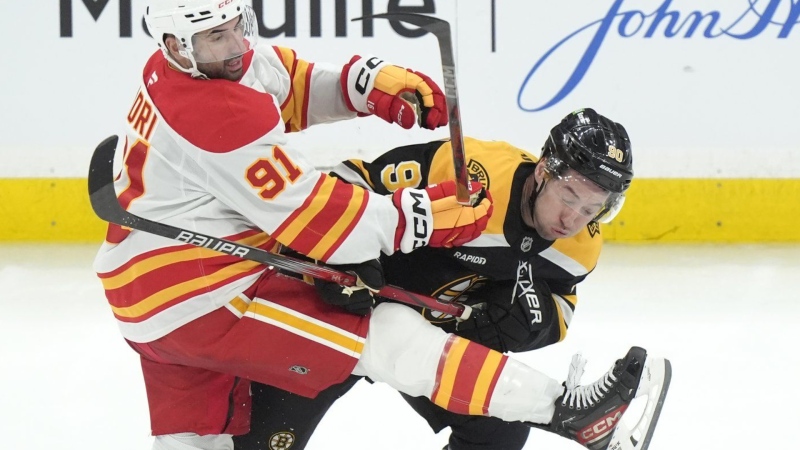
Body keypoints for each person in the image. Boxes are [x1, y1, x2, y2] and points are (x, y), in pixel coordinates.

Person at [93, 0, 669, 448]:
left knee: (193, 440)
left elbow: (283, 82)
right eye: (217, 35)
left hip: (150, 283)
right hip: (201, 292)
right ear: (175, 43)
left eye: (238, 24)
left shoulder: (203, 65)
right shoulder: (214, 113)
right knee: (383, 335)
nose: (239, 43)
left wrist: (364, 86)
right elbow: (314, 220)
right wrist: (426, 216)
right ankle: (573, 412)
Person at [235, 109, 671, 450]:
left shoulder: (579, 248)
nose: (572, 219)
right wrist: (344, 254)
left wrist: (528, 323)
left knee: (500, 432)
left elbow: (560, 303)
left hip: (427, 344)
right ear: (543, 171)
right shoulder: (470, 174)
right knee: (262, 440)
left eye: (592, 209)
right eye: (569, 196)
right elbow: (350, 180)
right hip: (339, 314)